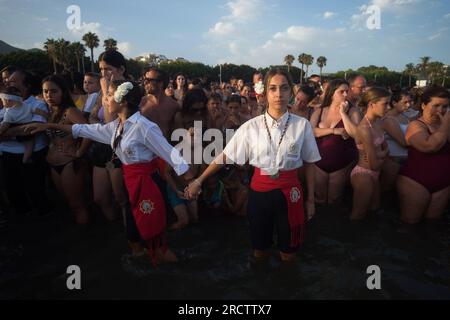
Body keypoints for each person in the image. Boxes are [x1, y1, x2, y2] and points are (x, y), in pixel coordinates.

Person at [27, 80, 192, 264]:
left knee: (156, 241)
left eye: (108, 96)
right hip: (130, 182)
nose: (105, 100)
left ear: (121, 100)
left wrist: (191, 181)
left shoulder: (143, 126)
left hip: (148, 184)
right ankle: (143, 265)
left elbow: (170, 152)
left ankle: (178, 272)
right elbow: (84, 129)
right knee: (133, 237)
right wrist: (51, 126)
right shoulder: (116, 126)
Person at [186, 68, 320, 262]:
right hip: (259, 194)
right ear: (265, 92)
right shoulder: (251, 126)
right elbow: (225, 156)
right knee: (259, 252)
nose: (278, 94)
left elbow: (310, 163)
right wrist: (199, 180)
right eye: (273, 88)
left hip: (291, 194)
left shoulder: (302, 125)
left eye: (284, 88)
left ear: (291, 91)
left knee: (289, 254)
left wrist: (310, 200)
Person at [41, 75, 91, 224]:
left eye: (54, 91)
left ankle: (85, 240)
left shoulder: (70, 112)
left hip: (70, 163)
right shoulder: (49, 112)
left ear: (63, 92)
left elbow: (89, 133)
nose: (49, 95)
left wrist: (79, 152)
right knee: (68, 202)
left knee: (77, 204)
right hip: (54, 164)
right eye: (45, 91)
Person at [0, 69, 52, 217]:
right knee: (13, 190)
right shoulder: (6, 106)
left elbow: (32, 129)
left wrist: (7, 132)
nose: (8, 83)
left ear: (27, 85)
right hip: (8, 154)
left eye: (13, 81)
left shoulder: (37, 104)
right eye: (7, 81)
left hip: (33, 153)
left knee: (35, 189)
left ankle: (44, 218)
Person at [397, 86, 450, 224]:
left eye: (445, 107)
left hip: (443, 183)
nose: (441, 111)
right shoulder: (416, 125)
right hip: (416, 181)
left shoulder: (445, 126)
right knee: (410, 223)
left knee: (433, 224)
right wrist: (446, 125)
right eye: (436, 106)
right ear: (423, 105)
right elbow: (429, 146)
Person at [309, 79, 360, 204]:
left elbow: (356, 134)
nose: (345, 94)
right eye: (341, 92)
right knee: (319, 197)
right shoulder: (319, 111)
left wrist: (343, 113)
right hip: (319, 162)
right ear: (332, 93)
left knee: (334, 199)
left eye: (347, 92)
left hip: (342, 162)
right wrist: (333, 131)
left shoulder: (353, 111)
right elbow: (310, 132)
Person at [350, 87, 391, 220]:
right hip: (364, 174)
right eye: (385, 104)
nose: (389, 107)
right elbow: (373, 164)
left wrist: (380, 155)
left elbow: (385, 149)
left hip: (374, 173)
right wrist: (383, 154)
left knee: (374, 210)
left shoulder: (378, 122)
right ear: (372, 104)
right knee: (358, 214)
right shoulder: (364, 129)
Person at [380, 89, 412, 192]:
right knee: (387, 190)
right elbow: (403, 142)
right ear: (394, 103)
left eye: (410, 102)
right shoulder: (388, 119)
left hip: (403, 160)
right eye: (405, 102)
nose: (408, 105)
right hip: (394, 161)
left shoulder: (403, 116)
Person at [140, 67, 180, 139]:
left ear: (161, 83)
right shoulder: (140, 103)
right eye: (144, 79)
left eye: (149, 80)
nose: (145, 82)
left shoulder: (174, 106)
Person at [0, 87, 34, 163]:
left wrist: (1, 130)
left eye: (3, 100)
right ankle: (26, 159)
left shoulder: (9, 112)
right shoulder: (27, 106)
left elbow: (5, 124)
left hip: (14, 128)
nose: (2, 103)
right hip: (27, 131)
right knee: (29, 145)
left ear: (8, 100)